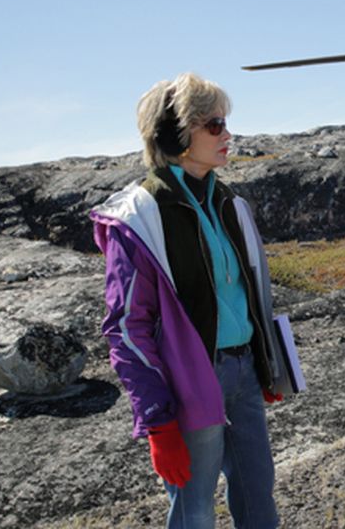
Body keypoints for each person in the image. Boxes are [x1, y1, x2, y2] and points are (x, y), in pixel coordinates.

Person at [91, 72, 283, 528]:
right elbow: (125, 328)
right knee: (194, 513)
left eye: (224, 123)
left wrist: (267, 360)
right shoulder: (140, 215)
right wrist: (156, 420)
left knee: (260, 502)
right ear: (176, 134)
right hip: (190, 384)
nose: (227, 134)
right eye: (214, 125)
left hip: (243, 373)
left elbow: (250, 292)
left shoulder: (229, 202)